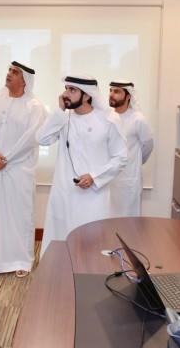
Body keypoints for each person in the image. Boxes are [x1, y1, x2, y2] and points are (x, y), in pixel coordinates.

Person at [37, 75, 127, 254]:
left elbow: (121, 157)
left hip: (92, 196)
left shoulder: (108, 120)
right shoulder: (63, 119)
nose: (66, 94)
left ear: (86, 95)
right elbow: (42, 139)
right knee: (61, 242)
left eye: (72, 90)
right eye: (66, 89)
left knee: (90, 246)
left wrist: (95, 177)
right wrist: (59, 111)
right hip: (64, 194)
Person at [0, 61, 47, 278]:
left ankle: (21, 260)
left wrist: (5, 159)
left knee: (19, 215)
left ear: (25, 80)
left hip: (19, 170)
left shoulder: (35, 106)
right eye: (9, 70)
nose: (9, 74)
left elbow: (30, 139)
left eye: (15, 72)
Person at [107, 81, 154, 216]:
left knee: (127, 220)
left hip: (128, 180)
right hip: (107, 179)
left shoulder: (138, 119)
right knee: (106, 219)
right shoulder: (107, 117)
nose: (111, 94)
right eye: (111, 90)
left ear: (128, 96)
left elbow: (148, 146)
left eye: (117, 91)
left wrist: (135, 162)